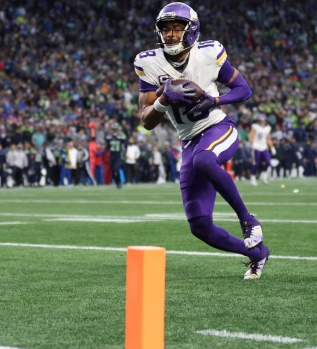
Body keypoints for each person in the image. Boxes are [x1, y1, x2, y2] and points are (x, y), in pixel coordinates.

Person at [135, 2, 269, 279]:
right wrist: (162, 99)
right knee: (199, 226)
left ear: (191, 29)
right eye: (166, 29)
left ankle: (248, 220)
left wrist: (215, 100)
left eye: (177, 28)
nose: (170, 34)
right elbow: (146, 120)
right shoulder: (147, 62)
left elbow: (244, 90)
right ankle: (256, 254)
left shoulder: (209, 53)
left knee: (204, 159)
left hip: (219, 127)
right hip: (189, 141)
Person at [248, 114, 275, 186]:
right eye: (261, 120)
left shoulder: (268, 127)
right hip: (256, 147)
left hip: (264, 146)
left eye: (263, 120)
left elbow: (268, 138)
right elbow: (251, 137)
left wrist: (272, 147)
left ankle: (264, 175)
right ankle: (253, 179)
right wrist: (254, 143)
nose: (262, 121)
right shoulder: (255, 126)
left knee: (268, 161)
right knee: (255, 163)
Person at [105, 123, 127, 189]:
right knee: (112, 170)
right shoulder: (109, 137)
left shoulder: (121, 136)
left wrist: (124, 152)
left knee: (116, 169)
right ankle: (118, 182)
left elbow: (126, 145)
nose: (114, 131)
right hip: (112, 155)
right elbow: (107, 147)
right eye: (113, 129)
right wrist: (102, 152)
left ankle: (119, 181)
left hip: (118, 155)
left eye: (115, 129)